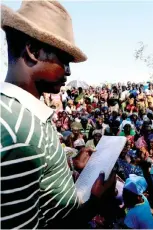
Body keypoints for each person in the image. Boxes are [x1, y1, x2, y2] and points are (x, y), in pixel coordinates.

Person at [1, 2, 116, 228]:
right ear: (33, 51)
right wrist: (96, 203)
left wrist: (70, 165)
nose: (69, 71)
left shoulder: (19, 115)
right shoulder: (21, 133)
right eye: (63, 59)